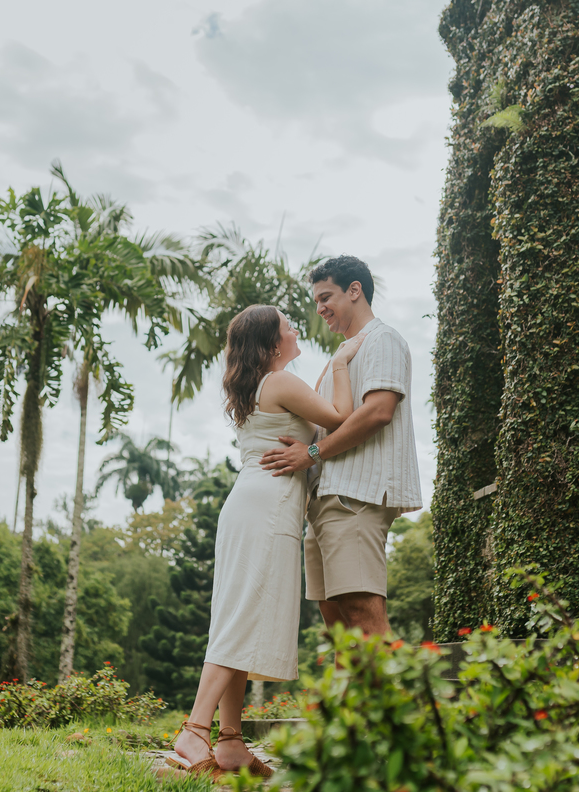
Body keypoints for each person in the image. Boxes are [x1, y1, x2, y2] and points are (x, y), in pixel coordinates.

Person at [168, 304, 365, 779]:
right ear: (274, 343)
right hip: (268, 508)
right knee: (242, 617)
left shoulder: (261, 385)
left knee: (240, 614)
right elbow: (341, 417)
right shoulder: (278, 381)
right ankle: (195, 729)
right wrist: (340, 363)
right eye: (288, 326)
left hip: (251, 503)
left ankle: (231, 742)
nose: (297, 330)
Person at [260, 255, 422, 637]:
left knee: (364, 622)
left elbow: (379, 411)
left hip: (355, 499)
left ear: (355, 290)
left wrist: (311, 453)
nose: (320, 309)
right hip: (325, 502)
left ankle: (396, 698)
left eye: (326, 297)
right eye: (316, 301)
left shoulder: (382, 340)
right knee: (340, 633)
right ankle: (348, 701)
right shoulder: (344, 353)